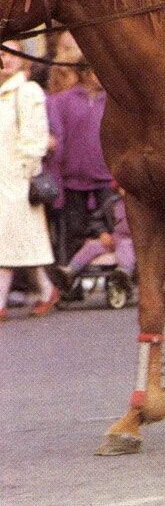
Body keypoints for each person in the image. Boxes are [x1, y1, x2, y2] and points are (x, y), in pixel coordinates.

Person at [0, 46, 58, 319]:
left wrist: (26, 171)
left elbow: (36, 136)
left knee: (9, 244)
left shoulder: (28, 91)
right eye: (2, 54)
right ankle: (47, 291)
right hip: (2, 179)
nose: (5, 59)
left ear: (24, 59)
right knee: (22, 244)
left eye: (12, 54)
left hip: (18, 181)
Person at [44, 38, 112, 264]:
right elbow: (57, 137)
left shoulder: (112, 102)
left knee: (114, 227)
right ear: (86, 72)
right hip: (73, 180)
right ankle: (71, 278)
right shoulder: (62, 101)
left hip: (106, 178)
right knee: (74, 230)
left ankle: (120, 275)